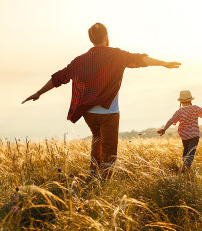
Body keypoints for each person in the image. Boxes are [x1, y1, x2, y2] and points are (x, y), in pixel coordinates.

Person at [22, 23, 180, 180]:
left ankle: (93, 175)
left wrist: (39, 93)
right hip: (109, 113)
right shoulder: (117, 55)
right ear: (106, 37)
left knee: (97, 139)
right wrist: (164, 63)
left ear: (91, 39)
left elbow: (59, 77)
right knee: (109, 151)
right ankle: (104, 184)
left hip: (89, 113)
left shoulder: (80, 60)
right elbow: (140, 59)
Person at [156, 90, 202, 171]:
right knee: (191, 152)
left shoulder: (179, 111)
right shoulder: (195, 108)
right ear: (190, 100)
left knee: (186, 151)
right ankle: (186, 168)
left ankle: (185, 168)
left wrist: (164, 129)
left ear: (181, 102)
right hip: (194, 135)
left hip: (184, 136)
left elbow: (171, 121)